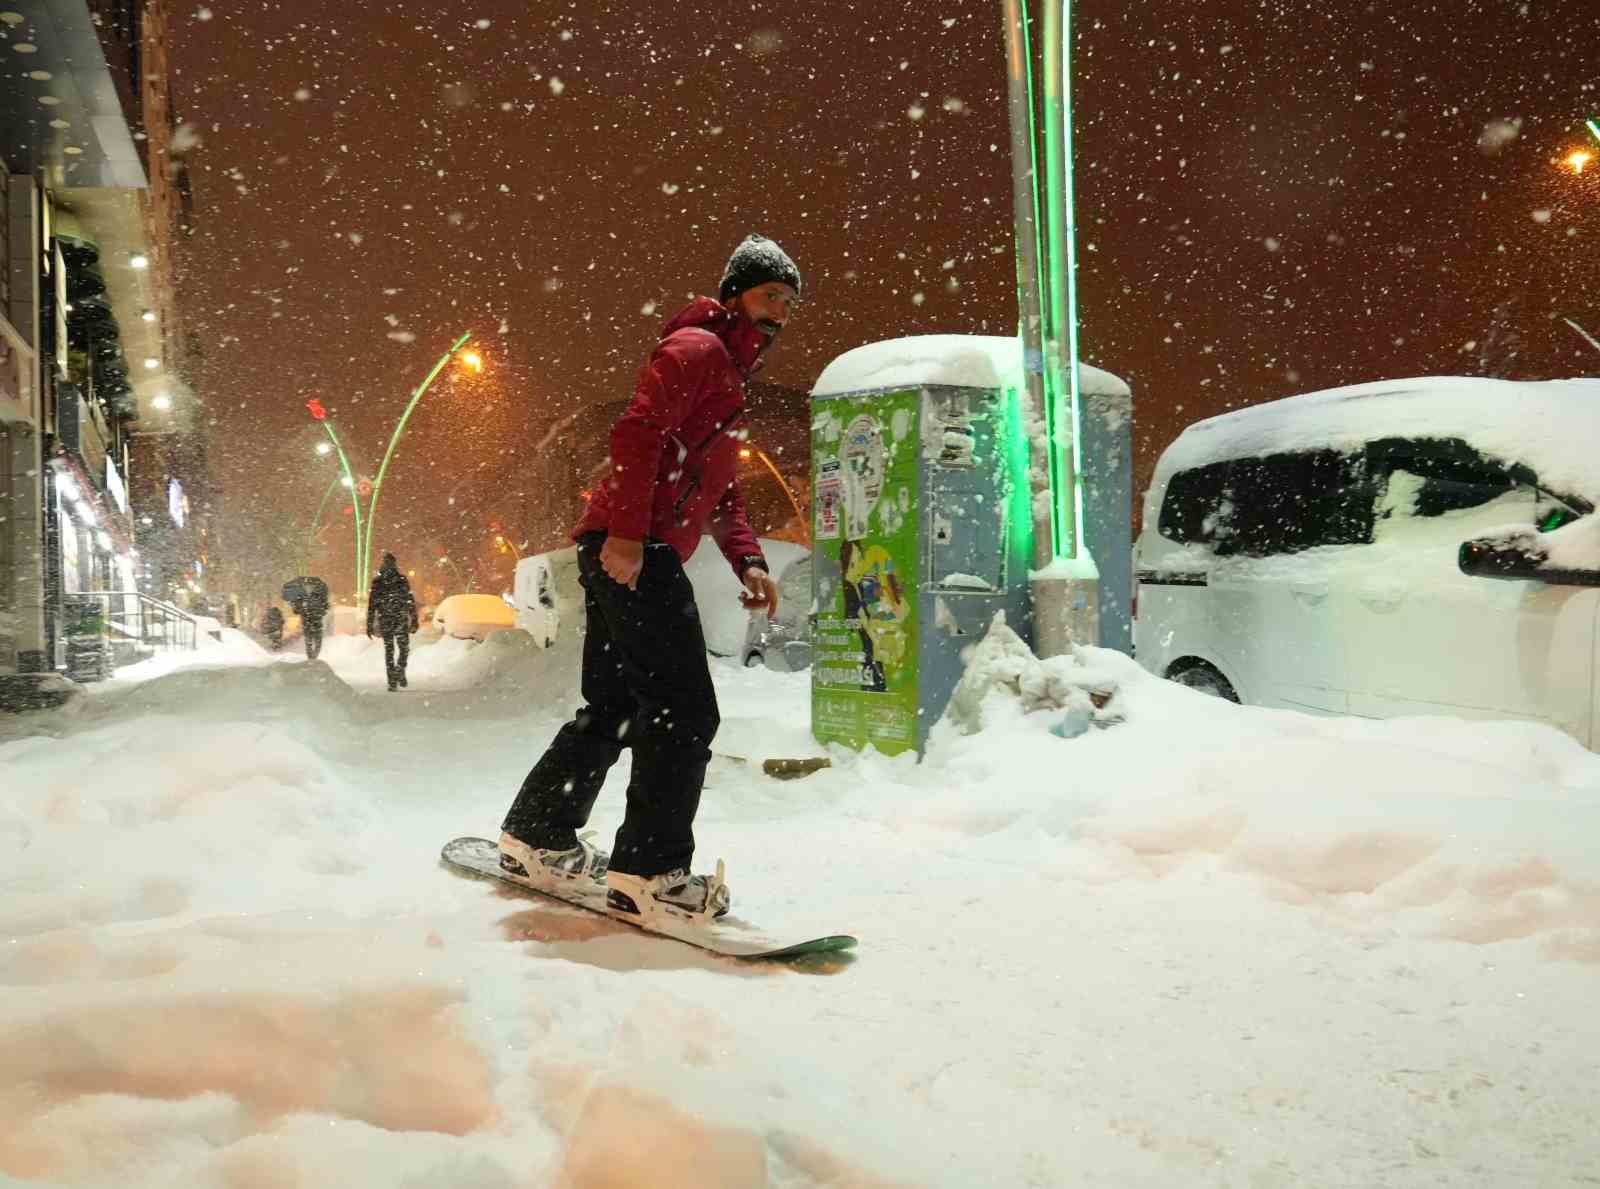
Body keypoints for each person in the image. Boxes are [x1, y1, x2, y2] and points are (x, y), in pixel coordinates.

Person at [497, 234, 798, 923]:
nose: (779, 311)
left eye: (788, 301)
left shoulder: (729, 377)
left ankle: (537, 832)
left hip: (626, 543)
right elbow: (638, 433)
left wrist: (747, 558)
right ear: (733, 295)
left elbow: (721, 491)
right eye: (768, 294)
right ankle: (651, 872)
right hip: (637, 547)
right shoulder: (699, 352)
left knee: (618, 705)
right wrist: (631, 534)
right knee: (684, 709)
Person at [367, 553, 418, 690]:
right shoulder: (401, 580)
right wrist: (414, 619)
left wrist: (369, 623)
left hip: (386, 619)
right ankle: (400, 670)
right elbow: (410, 600)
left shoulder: (377, 582)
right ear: (395, 564)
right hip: (399, 618)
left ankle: (392, 681)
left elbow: (372, 605)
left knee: (389, 650)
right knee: (404, 648)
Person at [284, 575, 331, 661]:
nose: (309, 587)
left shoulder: (301, 598)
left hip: (308, 622)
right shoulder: (319, 596)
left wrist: (295, 605)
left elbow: (296, 611)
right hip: (316, 622)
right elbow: (326, 608)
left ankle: (311, 656)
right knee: (316, 640)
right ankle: (314, 656)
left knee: (310, 640)